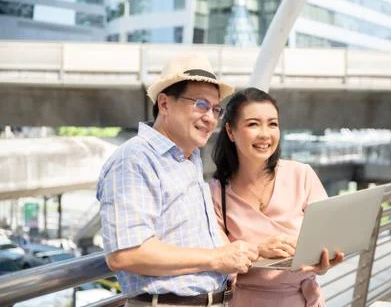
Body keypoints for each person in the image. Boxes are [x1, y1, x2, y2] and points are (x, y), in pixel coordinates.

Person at [97, 53, 258, 307]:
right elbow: (126, 254)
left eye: (216, 109)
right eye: (201, 104)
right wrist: (216, 259)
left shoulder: (188, 157)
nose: (210, 118)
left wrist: (230, 254)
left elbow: (192, 227)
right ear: (164, 104)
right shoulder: (134, 159)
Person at [209, 87, 344, 307]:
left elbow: (329, 239)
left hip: (303, 300)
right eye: (253, 124)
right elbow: (220, 260)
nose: (265, 134)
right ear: (230, 132)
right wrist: (259, 249)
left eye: (272, 124)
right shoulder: (216, 192)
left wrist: (324, 263)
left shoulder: (302, 175)